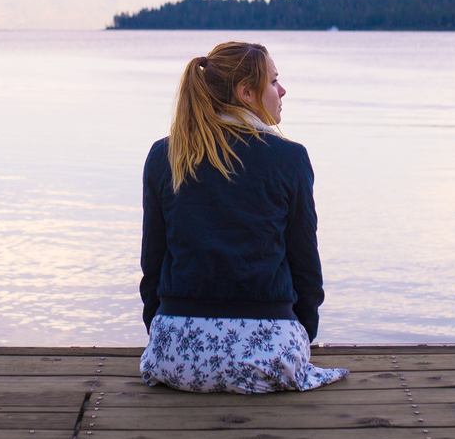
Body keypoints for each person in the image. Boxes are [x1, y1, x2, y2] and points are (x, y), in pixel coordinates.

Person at [139, 40, 347, 393]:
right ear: (246, 92)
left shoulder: (164, 155)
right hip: (271, 357)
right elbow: (305, 266)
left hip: (174, 355)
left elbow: (153, 263)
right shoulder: (289, 158)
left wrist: (162, 330)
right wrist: (302, 335)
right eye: (273, 81)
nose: (282, 90)